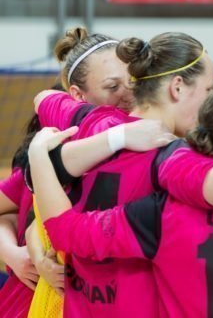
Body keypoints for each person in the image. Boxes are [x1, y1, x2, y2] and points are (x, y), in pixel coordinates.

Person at [32, 32, 213, 316]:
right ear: (177, 87)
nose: (208, 103)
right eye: (208, 89)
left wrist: (40, 153)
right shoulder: (171, 156)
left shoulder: (96, 122)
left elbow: (44, 98)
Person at [0, 28, 137, 317]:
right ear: (77, 95)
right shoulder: (51, 151)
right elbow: (26, 216)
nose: (128, 94)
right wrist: (15, 253)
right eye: (113, 87)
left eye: (133, 82)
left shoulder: (144, 143)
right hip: (33, 301)